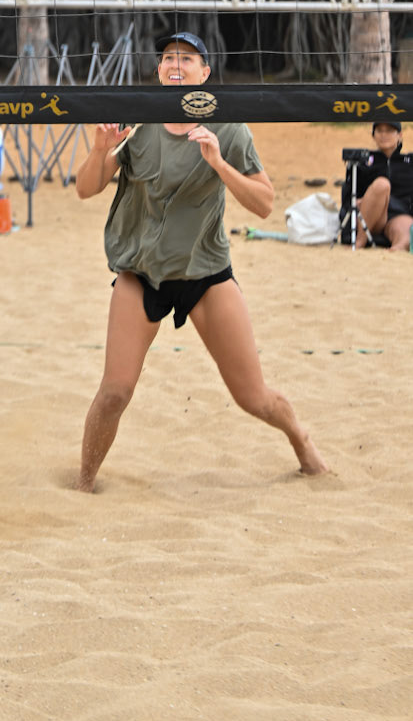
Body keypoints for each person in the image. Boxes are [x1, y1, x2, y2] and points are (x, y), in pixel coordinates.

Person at [74, 30, 326, 490]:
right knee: (114, 391)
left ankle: (301, 439)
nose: (176, 63)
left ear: (205, 73)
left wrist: (219, 164)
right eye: (168, 57)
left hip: (204, 274)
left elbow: (265, 204)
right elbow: (85, 188)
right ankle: (84, 483)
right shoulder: (137, 122)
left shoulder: (227, 127)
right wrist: (97, 150)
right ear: (158, 72)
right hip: (141, 274)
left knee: (253, 398)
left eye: (187, 58)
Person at [348, 116, 413, 250]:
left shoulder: (409, 162)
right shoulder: (362, 162)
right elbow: (349, 193)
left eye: (389, 130)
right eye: (379, 131)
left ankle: (393, 258)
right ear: (373, 135)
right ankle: (360, 240)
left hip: (399, 214)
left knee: (406, 235)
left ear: (399, 135)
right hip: (370, 216)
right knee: (382, 185)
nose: (384, 135)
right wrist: (356, 201)